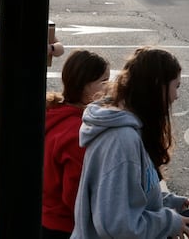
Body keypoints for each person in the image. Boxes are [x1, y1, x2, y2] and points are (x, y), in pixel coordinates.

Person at [73, 47, 189, 239]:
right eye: (177, 86)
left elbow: (126, 197)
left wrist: (164, 202)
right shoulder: (121, 140)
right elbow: (115, 225)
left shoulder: (130, 132)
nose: (177, 96)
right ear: (158, 86)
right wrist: (168, 222)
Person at [42, 50, 112, 239]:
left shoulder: (55, 113)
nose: (110, 88)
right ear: (84, 85)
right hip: (67, 226)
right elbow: (75, 194)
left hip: (47, 216)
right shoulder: (78, 132)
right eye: (104, 81)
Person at [0, 13, 65, 108]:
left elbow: (60, 49)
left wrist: (50, 48)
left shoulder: (36, 19)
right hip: (4, 78)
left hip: (30, 78)